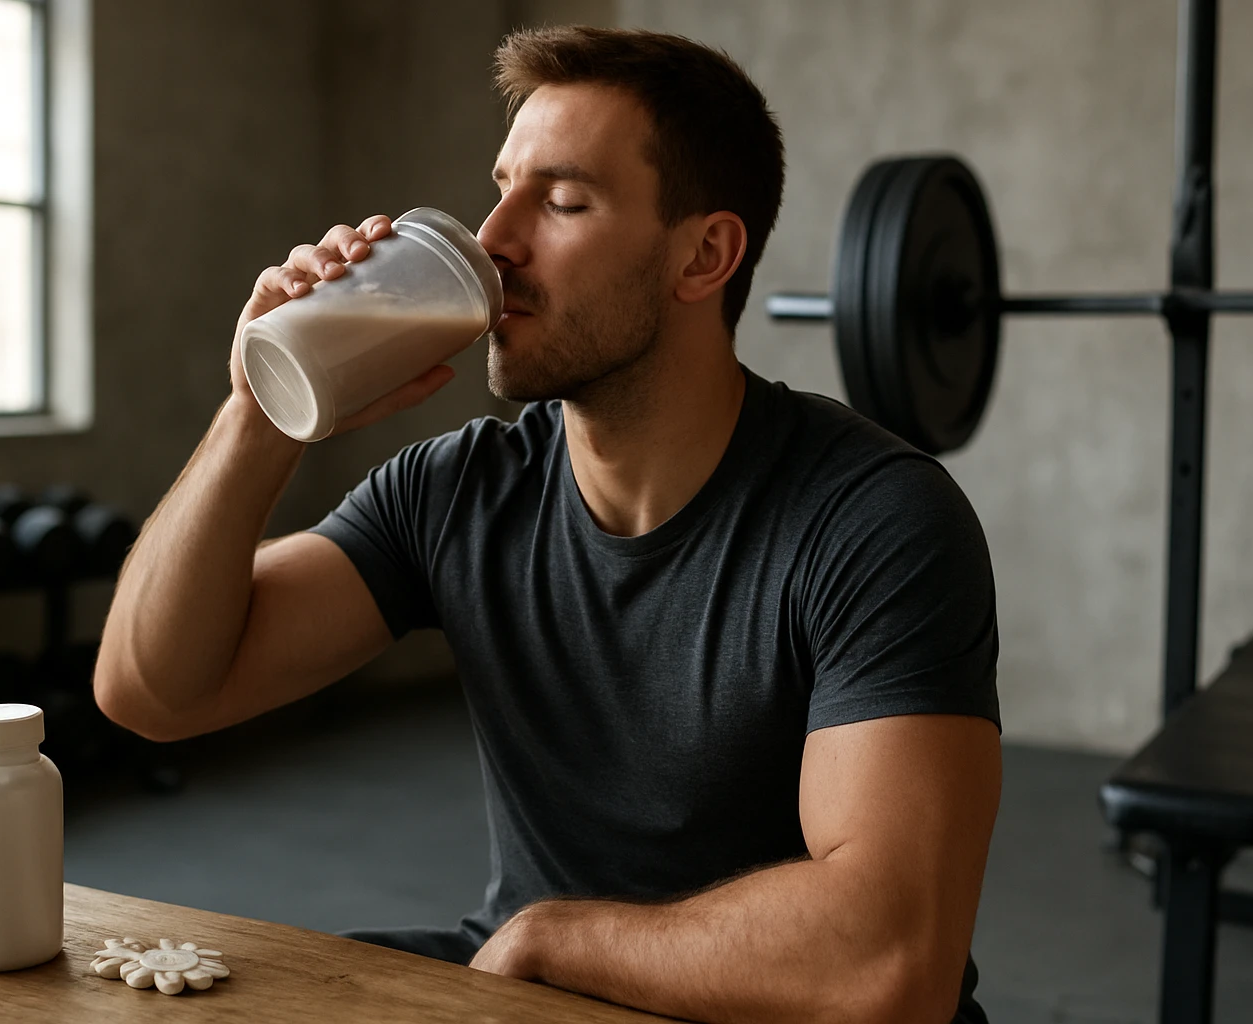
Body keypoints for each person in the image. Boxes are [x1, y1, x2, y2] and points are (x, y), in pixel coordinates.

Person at [95, 25, 1002, 1024]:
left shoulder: (876, 521)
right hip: (541, 989)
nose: (493, 237)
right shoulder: (457, 490)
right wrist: (258, 416)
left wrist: (553, 934)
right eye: (502, 186)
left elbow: (890, 962)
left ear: (704, 254)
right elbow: (152, 690)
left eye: (563, 200)